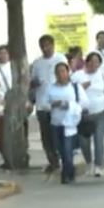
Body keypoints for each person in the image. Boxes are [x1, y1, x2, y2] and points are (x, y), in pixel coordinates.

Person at [71, 52, 104, 177]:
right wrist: (81, 87)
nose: (94, 64)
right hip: (83, 114)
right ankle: (89, 162)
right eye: (91, 61)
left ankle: (98, 166)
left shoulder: (103, 76)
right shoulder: (77, 76)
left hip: (100, 112)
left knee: (98, 139)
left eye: (97, 62)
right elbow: (70, 92)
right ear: (86, 62)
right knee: (84, 142)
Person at [30, 35, 68, 173]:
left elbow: (66, 78)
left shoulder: (60, 59)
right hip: (42, 104)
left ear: (53, 45)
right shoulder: (37, 63)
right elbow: (31, 82)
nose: (45, 49)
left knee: (59, 133)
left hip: (57, 103)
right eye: (43, 46)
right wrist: (34, 83)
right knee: (46, 136)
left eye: (48, 45)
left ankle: (65, 159)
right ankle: (53, 161)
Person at [46, 62, 88, 184]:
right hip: (56, 124)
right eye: (58, 72)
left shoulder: (75, 87)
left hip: (70, 125)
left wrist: (70, 105)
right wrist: (54, 104)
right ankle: (70, 170)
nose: (61, 74)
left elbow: (85, 103)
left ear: (67, 72)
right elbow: (44, 105)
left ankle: (66, 174)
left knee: (68, 150)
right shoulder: (50, 88)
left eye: (63, 71)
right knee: (61, 150)